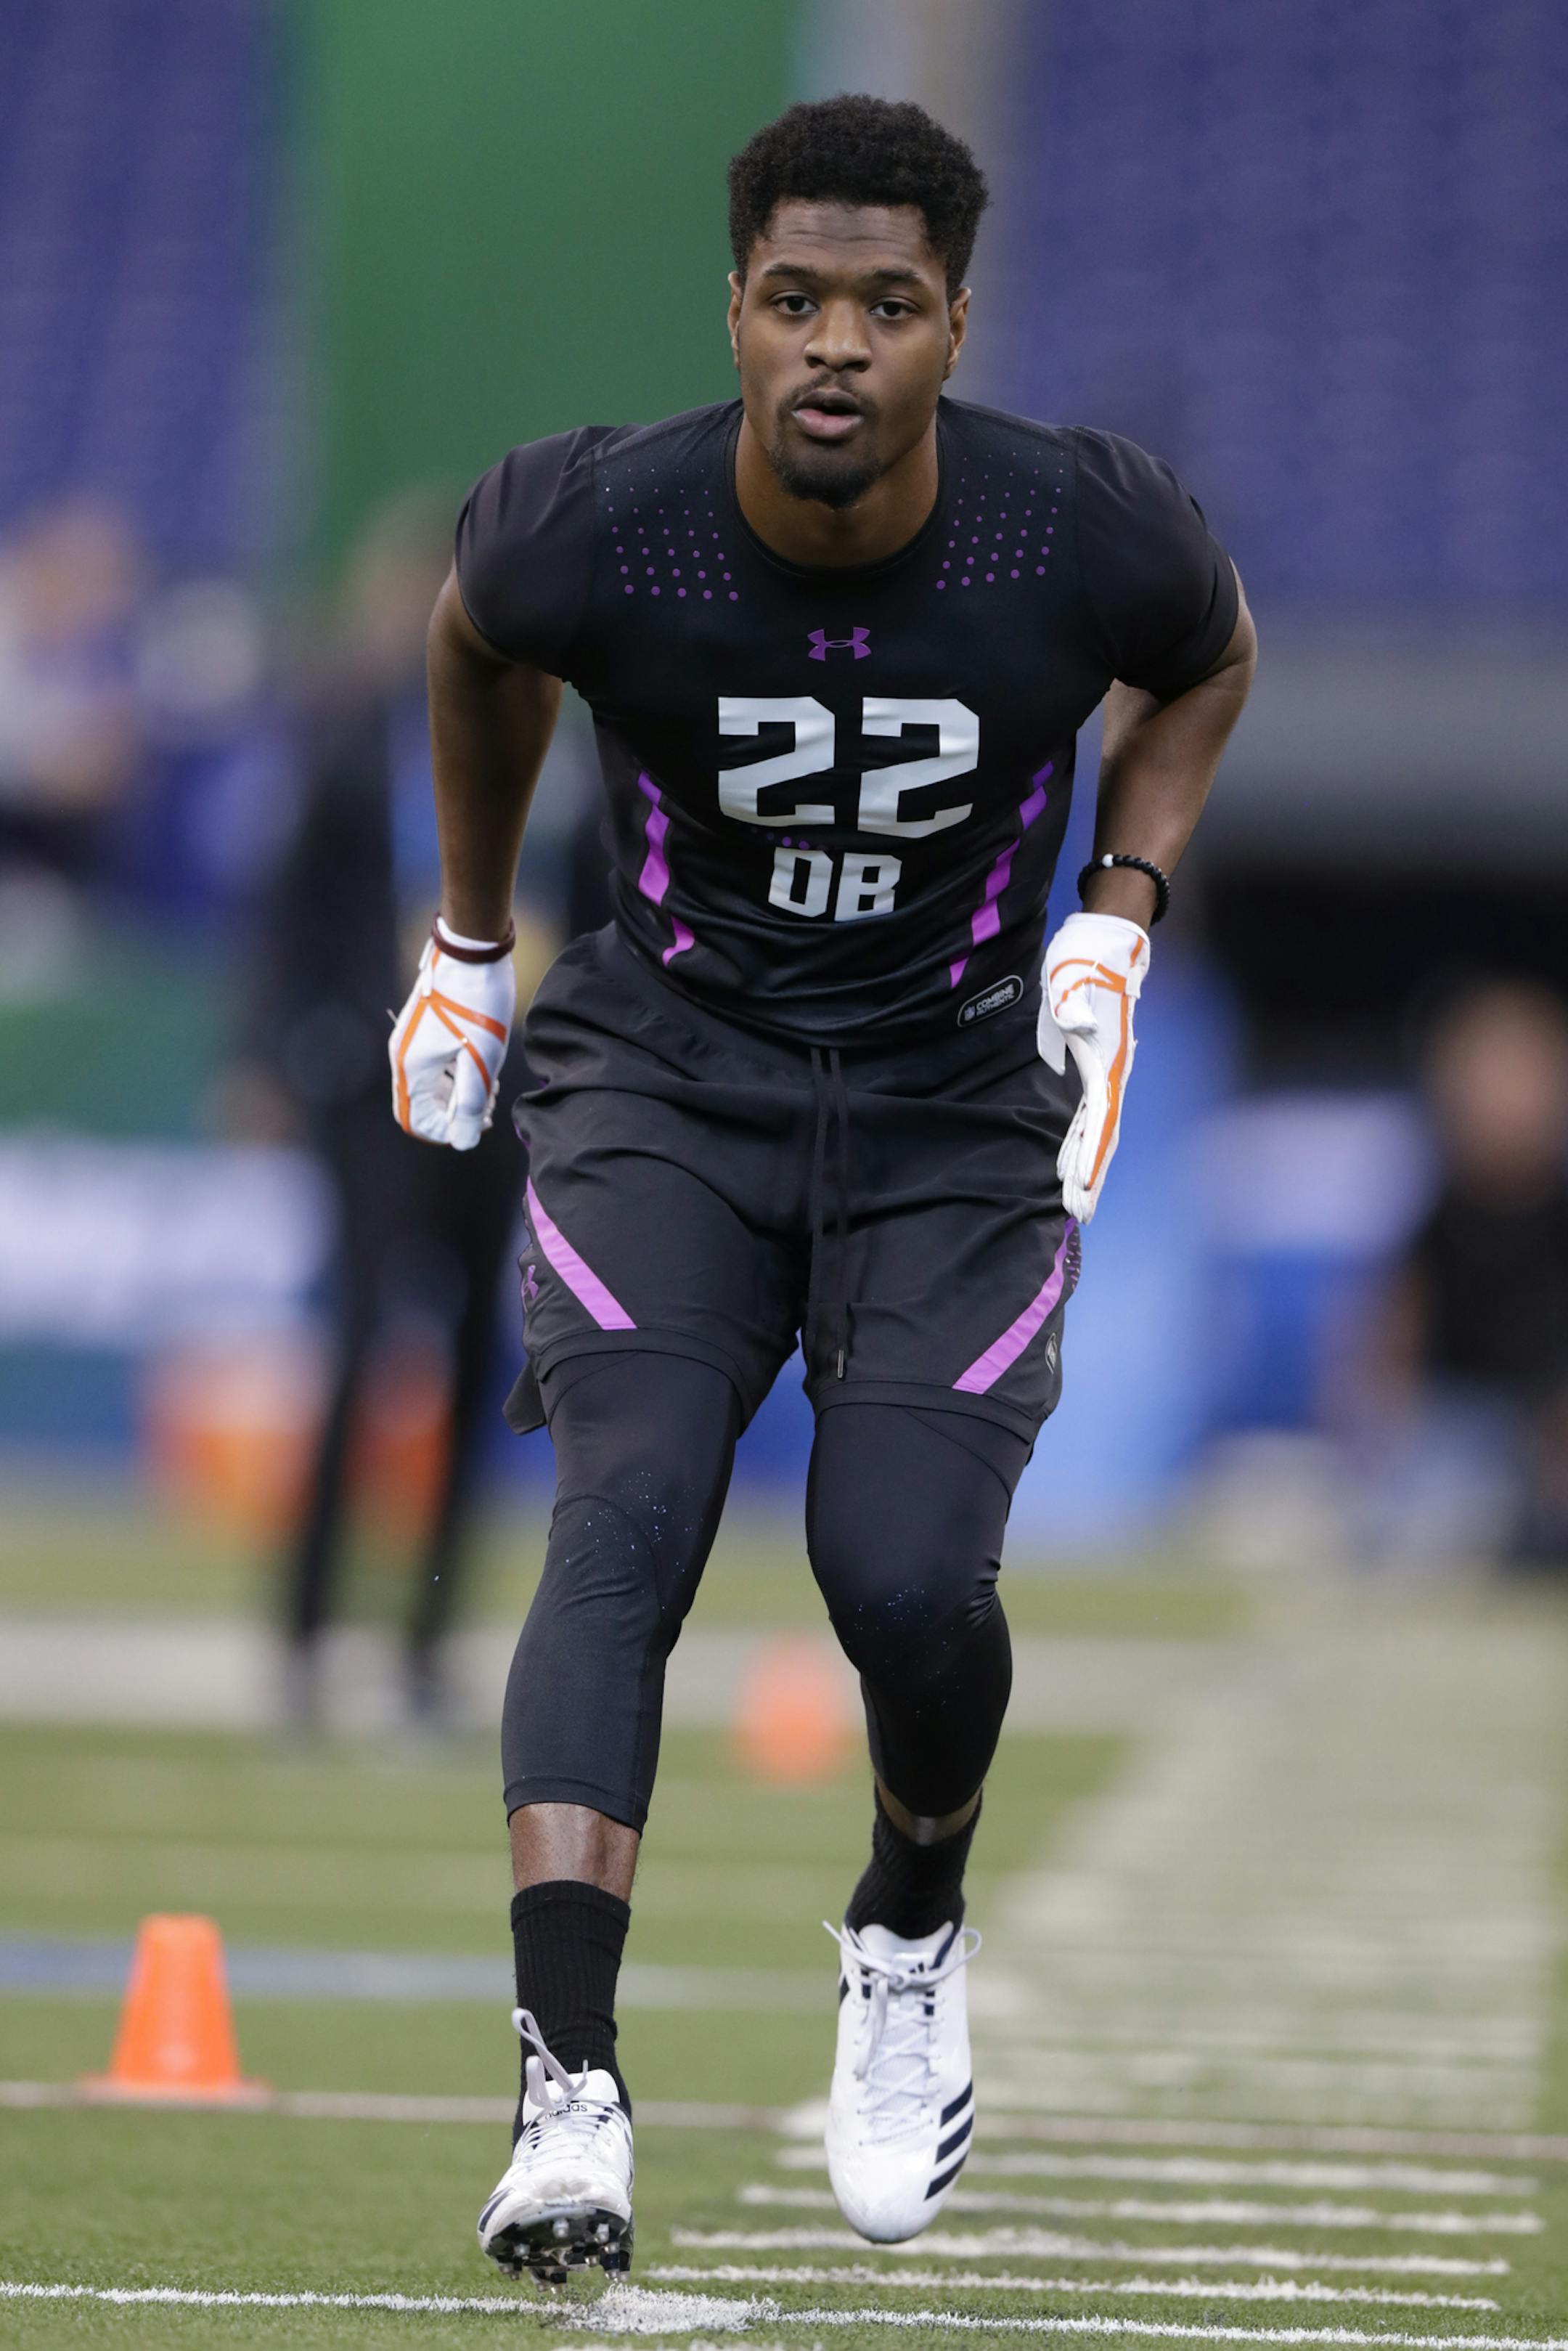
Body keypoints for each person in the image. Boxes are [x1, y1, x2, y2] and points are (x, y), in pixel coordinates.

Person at [388, 96, 1255, 2281]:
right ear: (739, 315)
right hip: (673, 1065)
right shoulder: (615, 519)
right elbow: (473, 630)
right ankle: (564, 2083)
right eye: (796, 301)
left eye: (886, 304)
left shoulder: (1079, 531)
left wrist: (1120, 902)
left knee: (900, 1572)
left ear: (958, 321)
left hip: (957, 1098)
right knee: (633, 1506)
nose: (836, 349)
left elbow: (1211, 644)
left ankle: (908, 1918)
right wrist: (469, 942)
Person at [242, 494, 540, 1728]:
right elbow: (285, 903)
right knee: (364, 1343)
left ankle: (425, 1639)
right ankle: (309, 1633)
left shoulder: (543, 734)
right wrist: (274, 1052)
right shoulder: (351, 735)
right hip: (372, 1077)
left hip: (501, 1085)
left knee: (480, 1353)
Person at [1368, 981, 1568, 1568]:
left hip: (1547, 1427)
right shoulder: (1437, 1212)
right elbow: (1393, 1340)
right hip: (1458, 1430)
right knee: (1432, 1527)